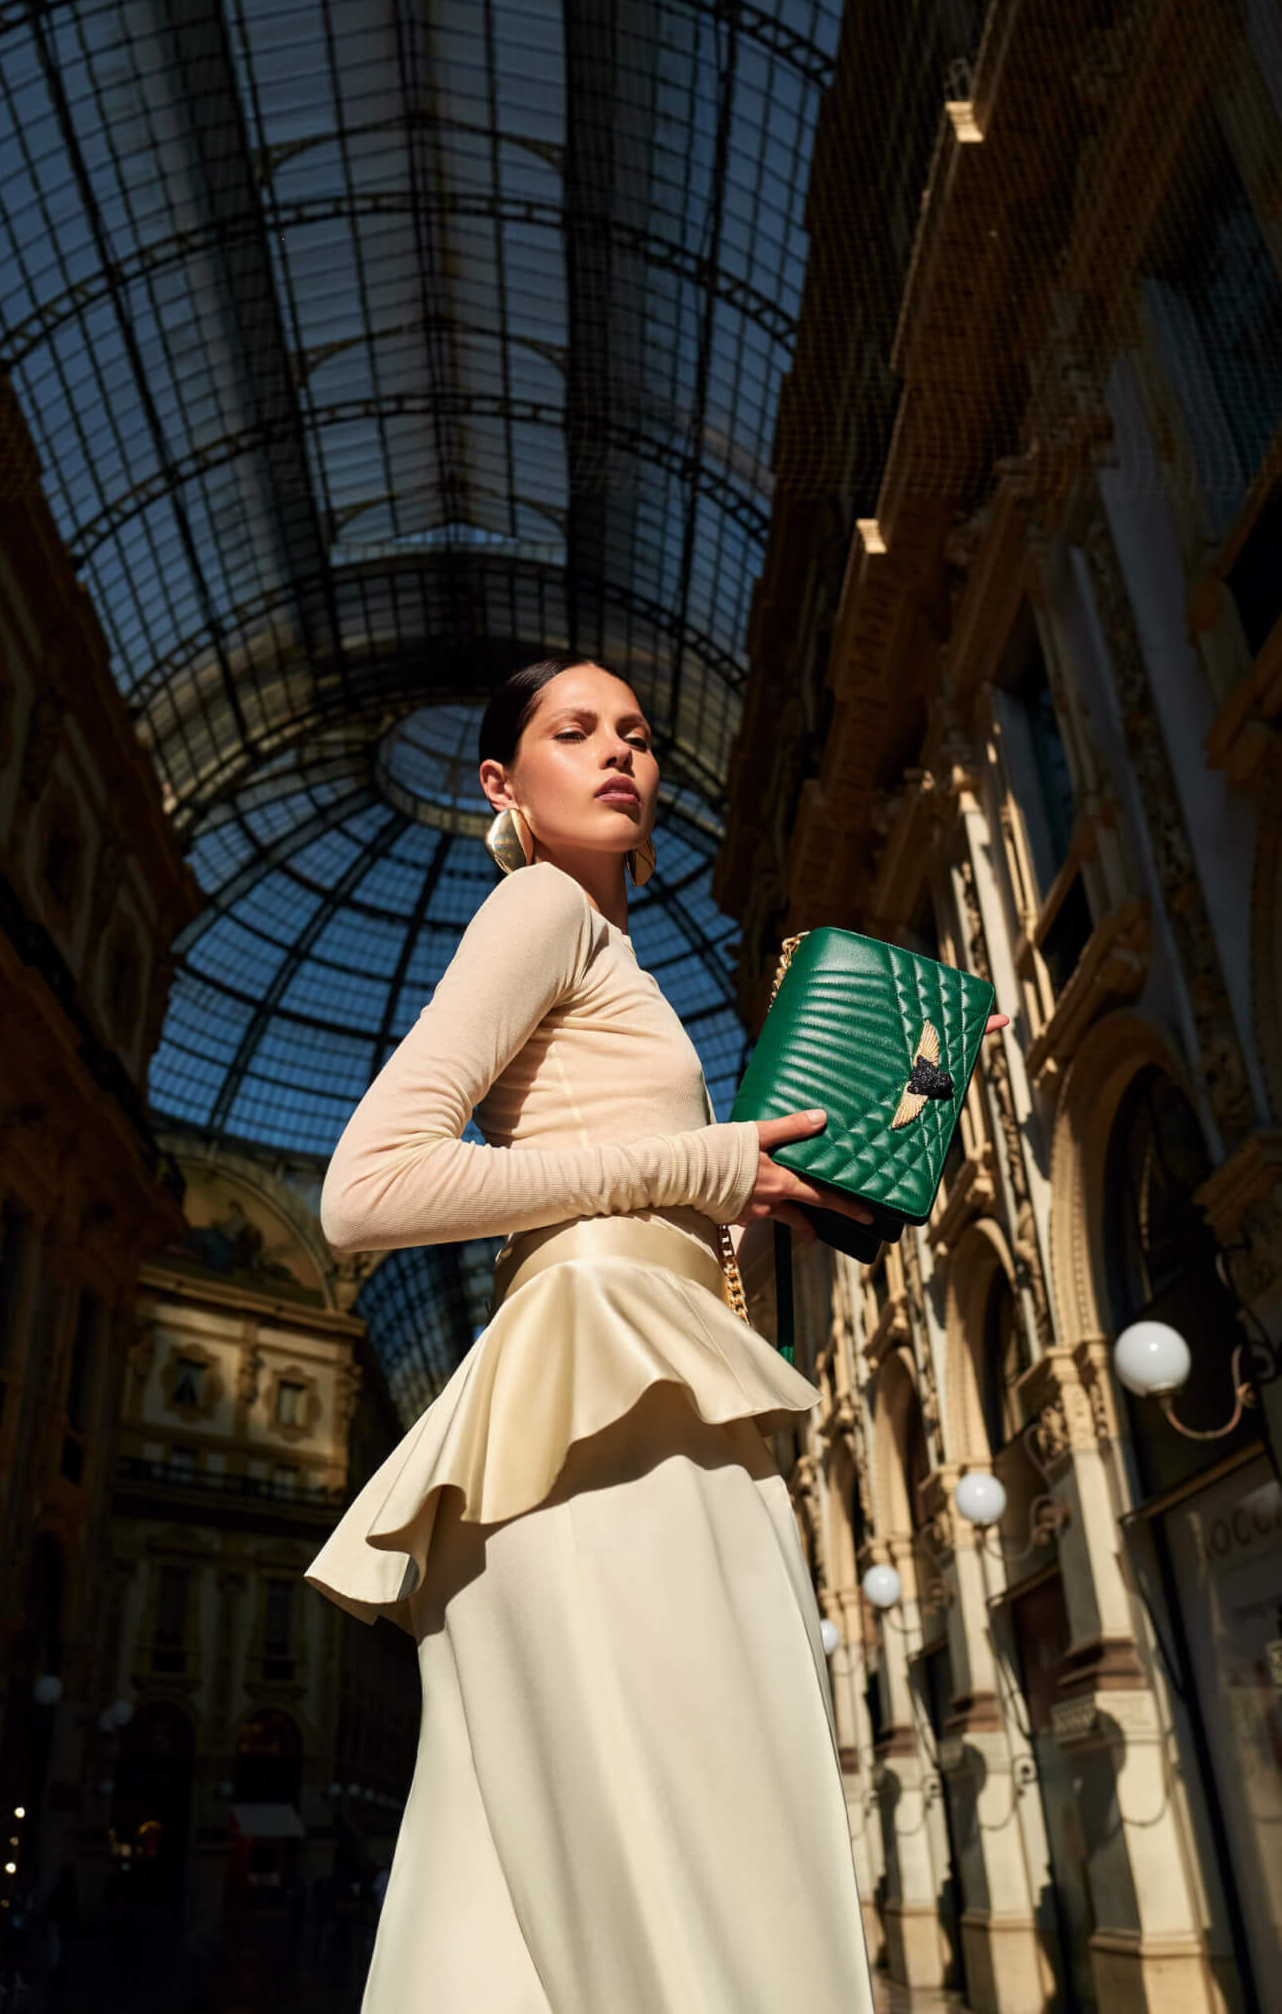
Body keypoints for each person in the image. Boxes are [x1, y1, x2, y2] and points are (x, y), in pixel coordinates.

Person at [306, 656, 1010, 2010]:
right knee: (697, 1823)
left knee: (513, 1885)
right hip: (593, 1399)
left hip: (618, 1382)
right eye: (575, 733)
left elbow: (629, 1169)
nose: (620, 751)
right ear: (502, 784)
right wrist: (691, 1168)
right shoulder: (538, 912)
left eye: (633, 732)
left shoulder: (607, 953)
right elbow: (366, 1193)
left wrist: (739, 1208)